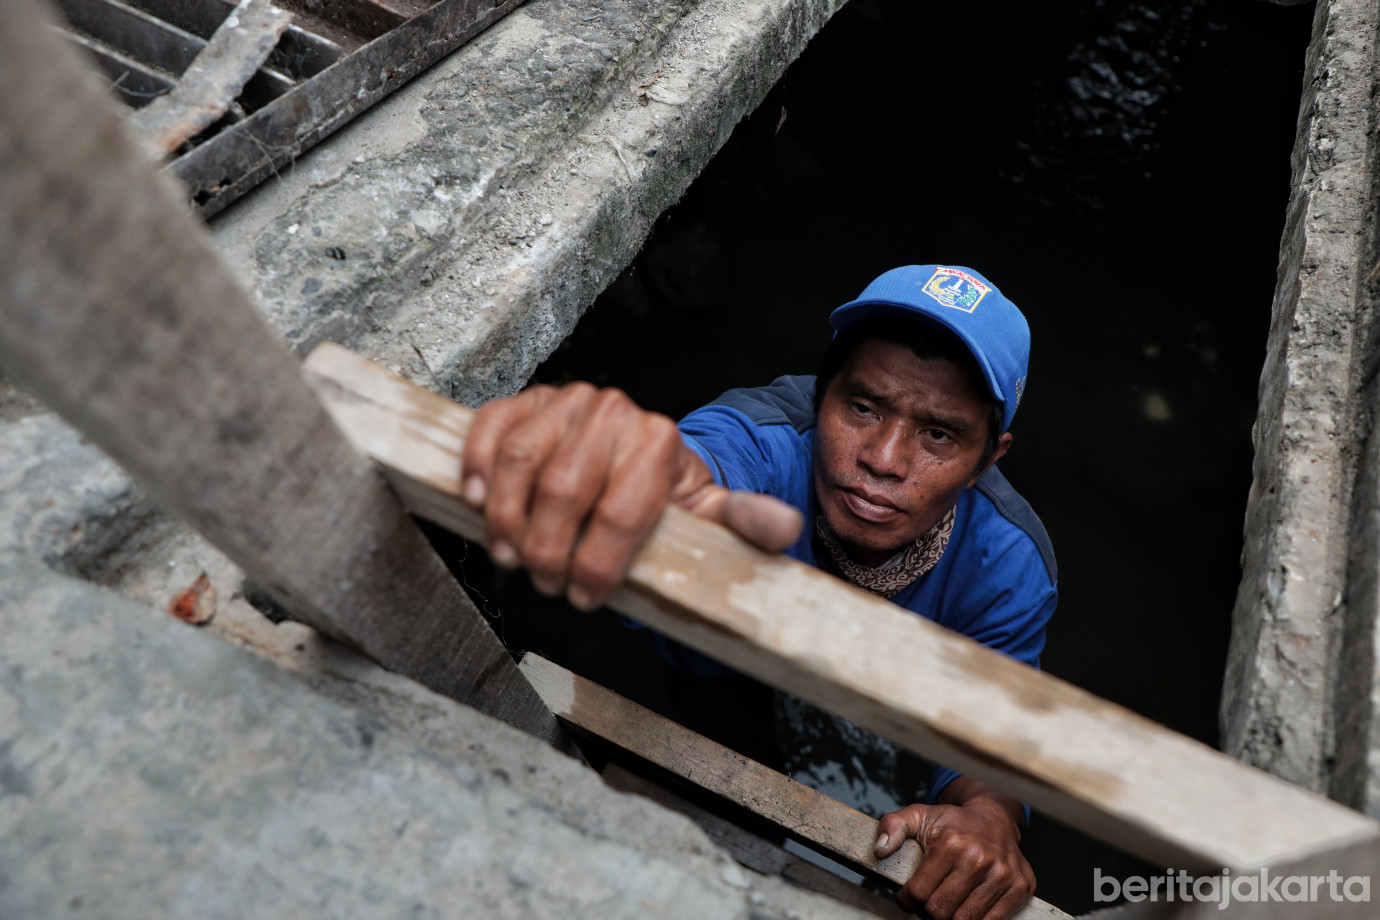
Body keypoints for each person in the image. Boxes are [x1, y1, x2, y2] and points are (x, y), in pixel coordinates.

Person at [459, 264, 1057, 920]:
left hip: (872, 735)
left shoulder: (1010, 565)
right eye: (863, 407)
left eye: (939, 434)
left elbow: (987, 739)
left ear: (989, 459)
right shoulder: (763, 441)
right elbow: (690, 467)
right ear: (820, 394)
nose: (884, 458)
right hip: (724, 692)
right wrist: (625, 471)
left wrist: (990, 820)